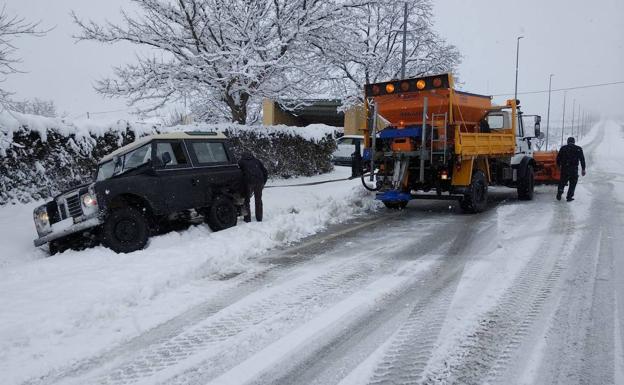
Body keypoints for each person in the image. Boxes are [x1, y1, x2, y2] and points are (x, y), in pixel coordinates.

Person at [238, 151, 268, 222]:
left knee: (246, 201)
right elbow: (265, 172)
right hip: (259, 182)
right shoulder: (257, 161)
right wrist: (263, 182)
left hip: (249, 182)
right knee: (258, 200)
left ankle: (247, 219)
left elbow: (239, 174)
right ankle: (259, 218)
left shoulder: (241, 162)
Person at [556, 137, 586, 202]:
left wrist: (558, 166)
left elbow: (558, 158)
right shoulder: (578, 149)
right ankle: (569, 197)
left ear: (567, 141)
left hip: (564, 168)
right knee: (573, 183)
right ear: (574, 142)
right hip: (574, 169)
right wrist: (583, 169)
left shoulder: (563, 148)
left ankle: (559, 192)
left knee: (562, 182)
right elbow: (582, 159)